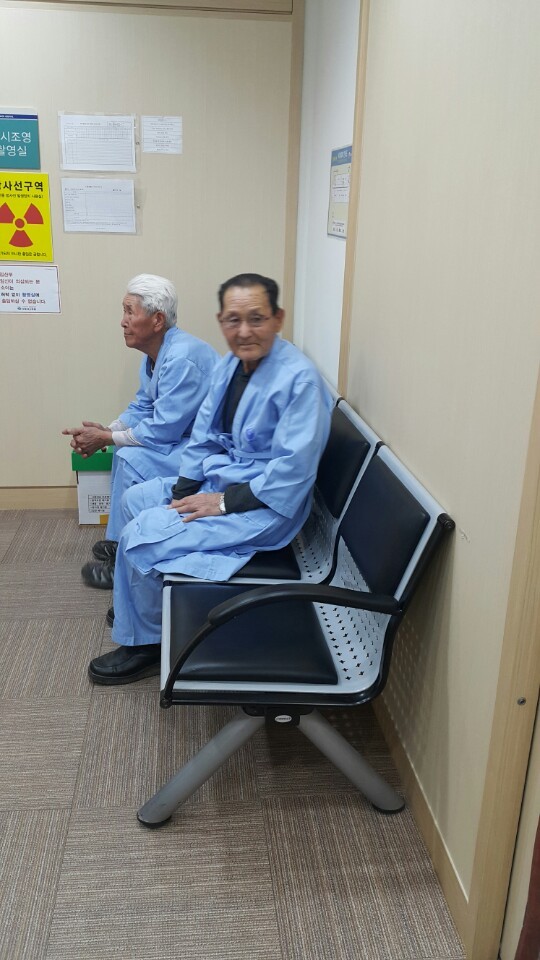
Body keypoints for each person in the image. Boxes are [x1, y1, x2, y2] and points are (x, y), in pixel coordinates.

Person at [88, 272, 333, 685]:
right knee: (137, 501)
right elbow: (203, 434)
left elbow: (291, 475)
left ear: (277, 318)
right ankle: (143, 602)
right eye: (233, 319)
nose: (244, 330)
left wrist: (220, 502)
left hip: (264, 505)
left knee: (139, 538)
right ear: (221, 322)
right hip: (226, 480)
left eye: (256, 318)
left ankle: (146, 643)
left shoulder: (299, 381)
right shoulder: (232, 365)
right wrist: (183, 491)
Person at [63, 274, 218, 588]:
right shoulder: (156, 354)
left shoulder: (182, 358)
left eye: (129, 311)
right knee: (125, 450)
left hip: (209, 452)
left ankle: (126, 562)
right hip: (184, 440)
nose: (122, 321)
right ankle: (120, 544)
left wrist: (105, 438)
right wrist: (108, 430)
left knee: (130, 457)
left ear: (157, 320)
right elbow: (142, 407)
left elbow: (162, 430)